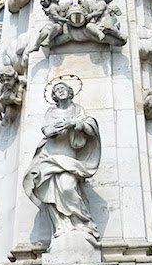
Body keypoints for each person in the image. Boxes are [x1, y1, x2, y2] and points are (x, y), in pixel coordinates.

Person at [23, 80, 101, 246]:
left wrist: (72, 123)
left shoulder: (78, 110)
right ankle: (61, 226)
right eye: (56, 89)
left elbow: (91, 126)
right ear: (54, 96)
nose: (60, 91)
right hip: (49, 155)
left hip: (68, 156)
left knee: (67, 187)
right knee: (49, 191)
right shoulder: (51, 111)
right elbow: (46, 130)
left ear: (70, 92)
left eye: (63, 88)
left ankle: (83, 223)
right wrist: (56, 129)